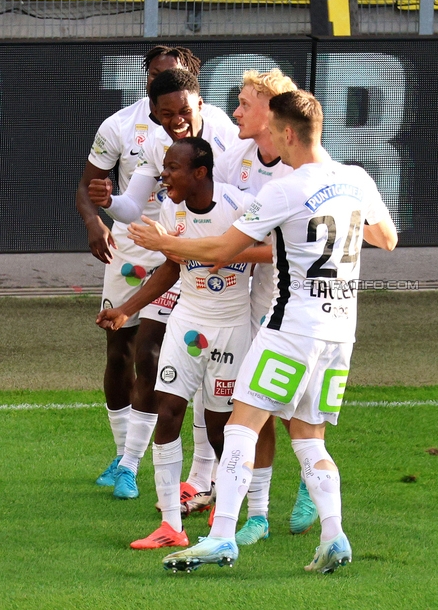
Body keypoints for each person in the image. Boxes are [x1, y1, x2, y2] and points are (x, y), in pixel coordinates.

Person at [128, 90, 397, 573]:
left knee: (240, 427)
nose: (267, 136)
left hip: (291, 328)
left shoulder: (286, 189)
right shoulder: (355, 179)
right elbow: (387, 238)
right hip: (340, 333)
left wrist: (162, 241)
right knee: (310, 438)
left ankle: (222, 535)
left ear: (288, 134)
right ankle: (334, 535)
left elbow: (222, 250)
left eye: (273, 129)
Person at [97, 137, 264, 549]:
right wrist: (125, 309)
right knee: (168, 409)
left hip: (231, 326)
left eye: (172, 168)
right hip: (188, 321)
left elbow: (272, 251)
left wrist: (226, 255)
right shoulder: (172, 209)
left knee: (221, 427)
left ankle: (229, 509)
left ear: (200, 173)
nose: (164, 175)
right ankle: (171, 525)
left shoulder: (238, 206)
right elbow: (171, 267)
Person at [88, 66, 239, 503]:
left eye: (184, 111)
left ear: (200, 104)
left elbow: (237, 205)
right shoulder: (157, 144)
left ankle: (206, 477)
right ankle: (130, 463)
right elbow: (134, 206)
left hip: (229, 267)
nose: (177, 121)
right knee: (150, 351)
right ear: (154, 114)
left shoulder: (227, 137)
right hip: (174, 253)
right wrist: (109, 202)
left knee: (215, 379)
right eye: (167, 114)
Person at [76, 46, 207, 501]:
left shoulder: (217, 136)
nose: (162, 83)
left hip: (182, 247)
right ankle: (123, 455)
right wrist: (98, 218)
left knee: (153, 352)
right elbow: (92, 188)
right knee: (120, 351)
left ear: (191, 82)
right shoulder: (122, 127)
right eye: (155, 78)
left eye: (172, 77)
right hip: (130, 246)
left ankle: (141, 464)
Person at [211, 68, 321, 544]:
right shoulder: (235, 157)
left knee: (283, 402)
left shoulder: (304, 169)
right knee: (254, 400)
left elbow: (263, 243)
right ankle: (257, 510)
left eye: (244, 103)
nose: (236, 110)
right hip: (255, 295)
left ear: (273, 114)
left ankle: (307, 482)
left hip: (298, 300)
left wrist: (201, 251)